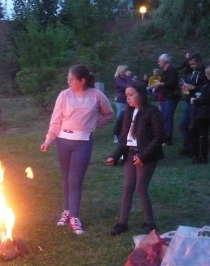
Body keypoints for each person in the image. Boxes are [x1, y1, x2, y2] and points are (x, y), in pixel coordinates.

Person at [40, 65, 113, 235]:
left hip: (83, 142)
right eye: (68, 78)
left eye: (71, 79)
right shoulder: (64, 95)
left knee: (75, 179)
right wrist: (49, 139)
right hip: (63, 141)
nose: (68, 81)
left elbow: (108, 114)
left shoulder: (97, 95)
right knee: (66, 178)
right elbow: (56, 120)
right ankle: (67, 210)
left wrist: (95, 124)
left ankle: (74, 216)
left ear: (82, 80)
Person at [105, 80, 165, 236]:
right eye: (126, 95)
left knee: (140, 189)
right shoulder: (127, 113)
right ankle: (122, 223)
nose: (128, 98)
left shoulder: (152, 111)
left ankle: (150, 223)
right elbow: (124, 138)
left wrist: (144, 156)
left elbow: (159, 137)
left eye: (131, 95)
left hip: (147, 156)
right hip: (130, 155)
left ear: (141, 94)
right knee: (127, 188)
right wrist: (115, 156)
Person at [178, 53, 206, 156]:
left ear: (198, 62)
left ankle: (195, 148)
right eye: (190, 64)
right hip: (188, 102)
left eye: (193, 64)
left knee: (194, 126)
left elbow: (206, 88)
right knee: (182, 125)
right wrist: (184, 89)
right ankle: (187, 147)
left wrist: (194, 88)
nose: (191, 66)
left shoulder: (205, 74)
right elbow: (186, 84)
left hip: (198, 103)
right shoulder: (190, 72)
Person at [155, 53, 181, 146]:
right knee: (164, 117)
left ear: (164, 61)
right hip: (165, 96)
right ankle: (164, 136)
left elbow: (172, 83)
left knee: (167, 117)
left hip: (172, 97)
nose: (158, 62)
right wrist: (158, 86)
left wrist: (160, 84)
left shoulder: (172, 70)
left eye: (159, 60)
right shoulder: (165, 71)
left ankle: (167, 140)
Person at [190, 65, 210, 164]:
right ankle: (198, 155)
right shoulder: (206, 84)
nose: (205, 75)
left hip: (205, 113)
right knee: (197, 133)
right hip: (201, 112)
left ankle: (202, 156)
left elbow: (205, 100)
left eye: (207, 74)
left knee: (201, 135)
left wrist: (195, 101)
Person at [113, 65, 132, 143]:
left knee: (127, 118)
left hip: (127, 100)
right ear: (121, 71)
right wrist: (128, 77)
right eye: (125, 70)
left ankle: (125, 135)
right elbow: (127, 86)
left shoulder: (124, 78)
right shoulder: (117, 79)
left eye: (127, 70)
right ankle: (116, 137)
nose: (127, 71)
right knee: (120, 118)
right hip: (121, 101)